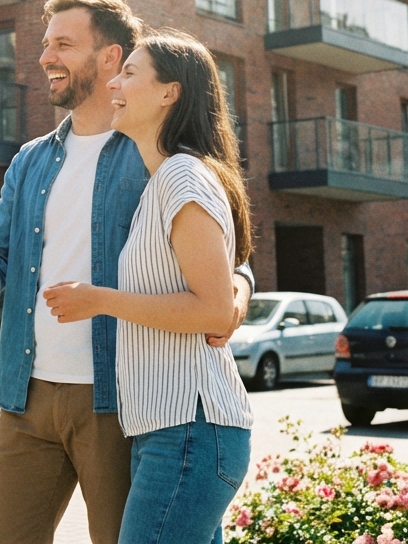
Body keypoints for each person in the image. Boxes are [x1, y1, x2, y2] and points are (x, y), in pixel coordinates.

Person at [0, 0, 253, 544]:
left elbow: (228, 251)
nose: (44, 57)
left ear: (109, 58)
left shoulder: (156, 152)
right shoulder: (31, 159)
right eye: (45, 43)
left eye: (63, 44)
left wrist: (234, 300)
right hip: (26, 396)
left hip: (120, 400)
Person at [44, 29, 253, 544]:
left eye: (130, 73)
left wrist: (97, 300)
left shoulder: (183, 176)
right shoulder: (164, 180)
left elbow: (212, 310)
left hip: (191, 429)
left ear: (170, 92)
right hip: (171, 431)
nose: (114, 82)